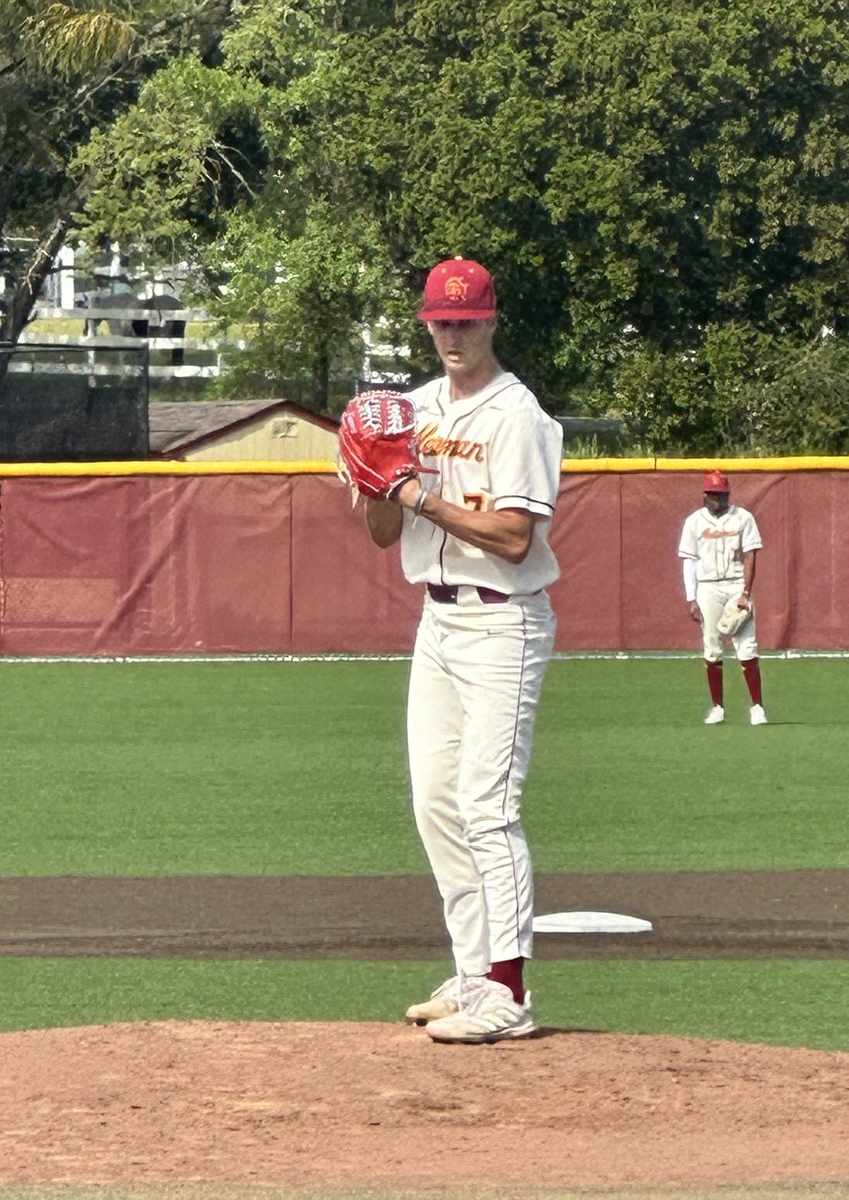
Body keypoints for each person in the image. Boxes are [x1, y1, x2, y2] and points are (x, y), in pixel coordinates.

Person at [362, 257, 564, 1043]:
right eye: (441, 322)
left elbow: (515, 538)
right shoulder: (410, 410)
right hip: (437, 622)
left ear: (491, 322)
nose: (453, 334)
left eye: (467, 321)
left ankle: (508, 993)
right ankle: (474, 971)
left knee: (488, 807)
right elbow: (384, 533)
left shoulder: (518, 415)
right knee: (435, 803)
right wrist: (372, 481)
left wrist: (415, 492)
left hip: (504, 623)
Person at [678, 470, 767, 726]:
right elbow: (689, 561)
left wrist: (746, 593)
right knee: (712, 646)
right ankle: (718, 707)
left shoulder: (743, 517)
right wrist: (691, 598)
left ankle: (757, 707)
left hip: (736, 584)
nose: (718, 499)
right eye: (714, 494)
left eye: (722, 494)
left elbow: (750, 555)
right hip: (707, 588)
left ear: (728, 494)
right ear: (705, 495)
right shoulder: (694, 522)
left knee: (746, 646)